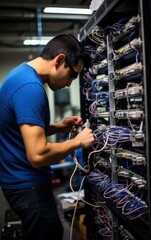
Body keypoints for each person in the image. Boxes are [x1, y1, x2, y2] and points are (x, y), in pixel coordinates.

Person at [0, 34, 95, 240]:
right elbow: (38, 155)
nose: (70, 84)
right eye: (72, 75)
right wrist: (77, 142)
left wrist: (57, 127)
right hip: (28, 185)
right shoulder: (30, 88)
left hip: (17, 181)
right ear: (59, 60)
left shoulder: (21, 74)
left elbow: (18, 130)